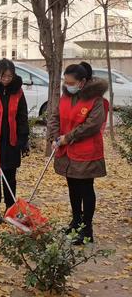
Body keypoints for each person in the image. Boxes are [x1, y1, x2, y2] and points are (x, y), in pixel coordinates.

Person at [48, 61, 108, 245]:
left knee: (85, 189)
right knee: (72, 186)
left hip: (86, 152)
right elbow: (55, 116)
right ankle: (76, 221)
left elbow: (92, 125)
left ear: (82, 82)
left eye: (71, 83)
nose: (68, 86)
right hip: (67, 152)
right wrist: (54, 137)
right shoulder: (65, 96)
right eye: (66, 82)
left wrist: (68, 137)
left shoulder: (96, 100)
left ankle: (86, 228)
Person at [0, 59, 29, 222]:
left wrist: (23, 138)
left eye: (10, 76)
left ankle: (10, 208)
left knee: (10, 175)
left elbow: (22, 116)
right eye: (3, 76)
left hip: (10, 141)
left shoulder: (18, 92)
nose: (6, 79)